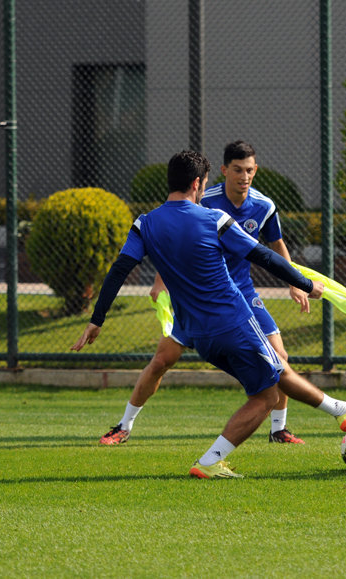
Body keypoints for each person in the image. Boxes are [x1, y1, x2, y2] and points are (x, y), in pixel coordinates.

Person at [73, 150, 346, 478]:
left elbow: (118, 271)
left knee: (276, 372)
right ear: (197, 183)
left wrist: (97, 320)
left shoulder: (145, 224)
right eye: (205, 183)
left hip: (199, 335)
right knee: (266, 395)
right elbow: (263, 256)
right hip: (233, 322)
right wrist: (306, 284)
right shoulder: (213, 219)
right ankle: (209, 462)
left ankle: (342, 411)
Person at [99, 141, 312, 446]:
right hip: (199, 296)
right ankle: (124, 426)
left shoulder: (264, 206)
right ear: (223, 171)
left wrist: (295, 281)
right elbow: (176, 239)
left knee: (280, 357)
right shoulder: (205, 201)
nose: (244, 176)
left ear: (255, 170)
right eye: (237, 170)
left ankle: (278, 430)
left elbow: (275, 245)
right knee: (162, 360)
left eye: (249, 170)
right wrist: (161, 281)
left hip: (242, 293)